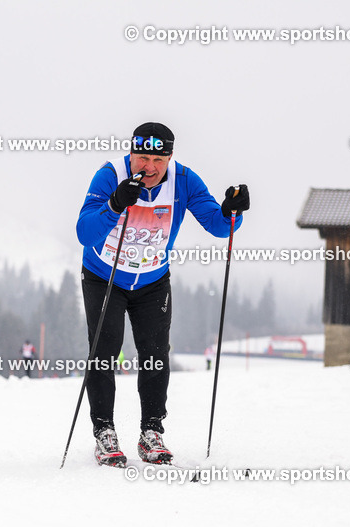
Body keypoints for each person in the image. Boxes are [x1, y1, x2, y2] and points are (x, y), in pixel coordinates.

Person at [76, 122, 249, 467]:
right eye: (142, 157)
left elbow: (217, 224)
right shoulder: (109, 175)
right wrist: (114, 204)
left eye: (158, 159)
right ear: (131, 153)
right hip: (104, 276)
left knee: (155, 354)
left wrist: (233, 211)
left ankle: (151, 431)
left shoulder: (184, 181)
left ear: (170, 156)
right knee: (104, 350)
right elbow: (85, 232)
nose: (149, 167)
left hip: (153, 280)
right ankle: (104, 433)